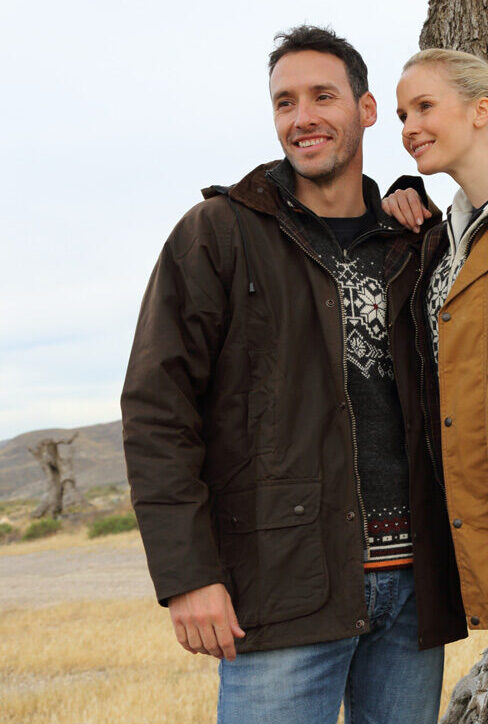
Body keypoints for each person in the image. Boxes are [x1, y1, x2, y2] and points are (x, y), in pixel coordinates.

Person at [120, 26, 467, 724]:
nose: (301, 117)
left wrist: (413, 196)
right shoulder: (218, 233)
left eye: (322, 97)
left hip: (412, 590)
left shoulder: (415, 241)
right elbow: (158, 410)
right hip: (283, 589)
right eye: (285, 102)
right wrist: (188, 576)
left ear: (367, 109)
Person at [383, 48, 488, 633]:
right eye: (403, 115)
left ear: (481, 110)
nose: (409, 127)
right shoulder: (443, 240)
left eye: (425, 106)